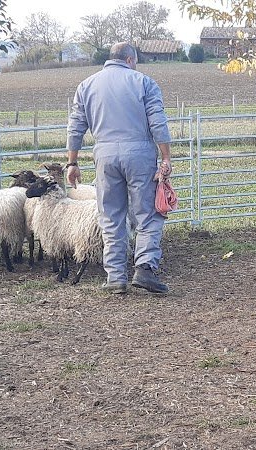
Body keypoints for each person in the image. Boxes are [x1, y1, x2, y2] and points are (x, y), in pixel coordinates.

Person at [66, 42, 172, 295]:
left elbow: (76, 126)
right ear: (130, 59)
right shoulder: (144, 82)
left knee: (110, 216)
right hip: (139, 154)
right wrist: (166, 158)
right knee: (147, 213)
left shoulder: (86, 85)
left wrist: (72, 162)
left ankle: (115, 277)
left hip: (104, 155)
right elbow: (158, 121)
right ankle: (145, 269)